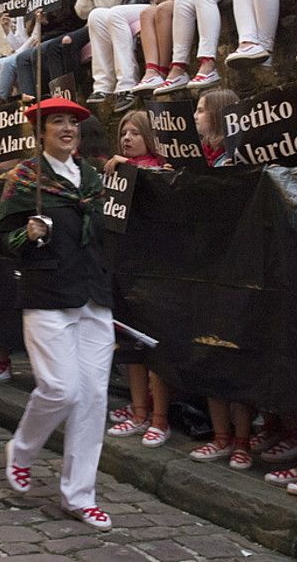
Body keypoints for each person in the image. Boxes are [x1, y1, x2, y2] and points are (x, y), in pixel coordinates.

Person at [0, 97, 114, 531]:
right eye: (57, 123)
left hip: (94, 297)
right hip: (46, 294)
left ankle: (79, 496)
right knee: (61, 389)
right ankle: (23, 449)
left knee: (94, 398)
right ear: (40, 132)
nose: (67, 129)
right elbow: (2, 238)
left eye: (73, 123)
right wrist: (26, 234)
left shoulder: (92, 178)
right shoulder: (26, 179)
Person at [101, 112, 173, 446]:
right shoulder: (114, 172)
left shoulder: (163, 169)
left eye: (135, 133)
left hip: (156, 270)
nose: (127, 138)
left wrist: (137, 171)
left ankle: (160, 418)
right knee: (129, 346)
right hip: (123, 267)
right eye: (123, 133)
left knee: (152, 347)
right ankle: (139, 410)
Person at [16, 0, 86, 99]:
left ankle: (57, 96)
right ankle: (33, 101)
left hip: (71, 28)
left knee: (42, 50)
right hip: (54, 33)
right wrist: (44, 21)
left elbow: (74, 15)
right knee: (22, 58)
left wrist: (51, 19)